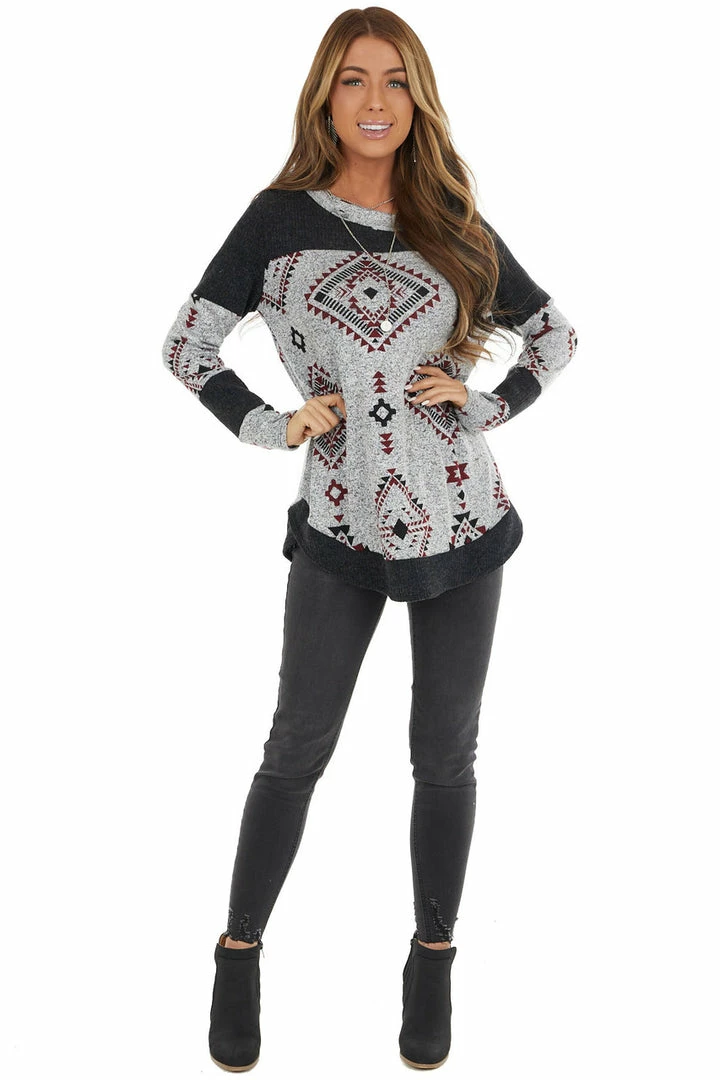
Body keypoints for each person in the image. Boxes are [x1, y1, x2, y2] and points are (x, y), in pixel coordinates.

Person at [162, 6, 577, 1071]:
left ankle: (433, 957)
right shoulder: (277, 220)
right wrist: (272, 424)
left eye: (395, 80)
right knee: (296, 746)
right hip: (340, 525)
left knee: (446, 754)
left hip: (463, 520)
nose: (376, 101)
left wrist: (487, 405)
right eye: (353, 79)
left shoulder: (453, 219)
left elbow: (554, 334)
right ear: (325, 96)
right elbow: (188, 346)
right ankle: (239, 950)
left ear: (418, 98)